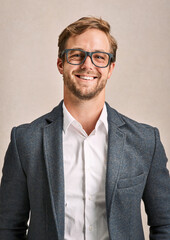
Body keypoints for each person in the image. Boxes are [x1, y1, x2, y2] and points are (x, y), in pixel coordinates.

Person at [0, 16, 170, 240]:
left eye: (99, 57)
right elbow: (8, 229)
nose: (87, 65)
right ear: (61, 64)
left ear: (110, 68)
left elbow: (165, 224)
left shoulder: (146, 141)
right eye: (77, 55)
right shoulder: (25, 141)